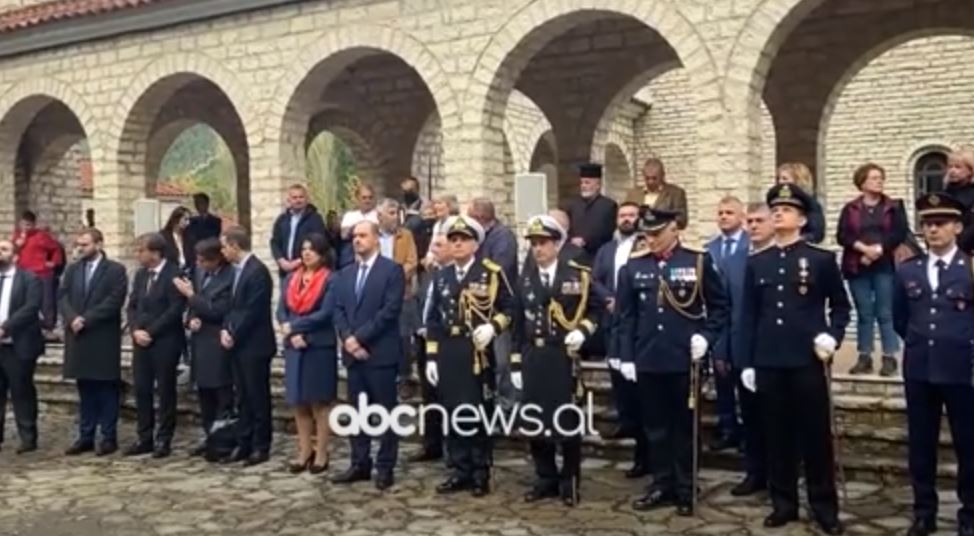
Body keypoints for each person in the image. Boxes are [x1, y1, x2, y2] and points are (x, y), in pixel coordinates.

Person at [739, 183, 851, 534]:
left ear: (802, 219)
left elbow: (841, 307)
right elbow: (749, 316)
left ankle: (823, 506)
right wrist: (748, 363)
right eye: (775, 209)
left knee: (815, 437)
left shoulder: (821, 259)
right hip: (770, 360)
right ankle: (783, 503)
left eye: (786, 209)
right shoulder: (758, 263)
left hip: (806, 360)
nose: (778, 213)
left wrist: (831, 337)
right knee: (777, 436)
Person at [617, 206, 729, 517]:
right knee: (654, 427)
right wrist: (626, 355)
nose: (650, 240)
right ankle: (661, 483)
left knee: (684, 427)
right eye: (646, 235)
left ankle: (685, 485)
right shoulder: (633, 268)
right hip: (649, 358)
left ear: (674, 230)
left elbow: (720, 307)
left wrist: (706, 337)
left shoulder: (697, 261)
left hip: (683, 359)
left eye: (656, 234)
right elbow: (626, 318)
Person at [892, 192, 974, 536]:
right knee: (921, 446)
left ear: (957, 226)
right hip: (920, 370)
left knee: (968, 445)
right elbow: (900, 319)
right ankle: (924, 511)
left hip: (962, 370)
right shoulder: (908, 269)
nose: (933, 230)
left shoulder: (970, 267)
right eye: (927, 224)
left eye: (940, 223)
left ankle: (969, 512)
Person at [511, 215, 599, 507]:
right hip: (534, 356)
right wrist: (514, 361)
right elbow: (516, 323)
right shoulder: (524, 279)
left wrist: (583, 331)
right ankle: (545, 477)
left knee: (566, 421)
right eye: (534, 244)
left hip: (563, 355)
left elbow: (596, 310)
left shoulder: (577, 275)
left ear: (557, 244)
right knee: (536, 421)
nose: (538, 249)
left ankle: (569, 479)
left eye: (543, 243)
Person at [425, 215, 514, 497]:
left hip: (476, 351)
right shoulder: (442, 276)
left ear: (476, 243)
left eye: (463, 239)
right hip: (449, 351)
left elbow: (511, 309)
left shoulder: (490, 273)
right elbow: (434, 320)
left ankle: (480, 471)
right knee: (452, 412)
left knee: (477, 412)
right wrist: (431, 356)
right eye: (453, 240)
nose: (458, 244)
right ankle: (460, 470)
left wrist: (493, 327)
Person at [332, 221, 405, 491]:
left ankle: (385, 466)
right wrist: (348, 339)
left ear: (376, 239)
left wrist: (359, 338)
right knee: (357, 412)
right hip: (353, 355)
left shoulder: (391, 270)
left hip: (380, 353)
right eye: (354, 237)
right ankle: (359, 462)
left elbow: (389, 310)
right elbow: (338, 310)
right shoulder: (345, 273)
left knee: (386, 412)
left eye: (363, 236)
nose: (357, 240)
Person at [591, 201, 647, 477]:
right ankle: (626, 421)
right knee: (619, 383)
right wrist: (608, 299)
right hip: (612, 323)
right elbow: (595, 279)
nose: (626, 220)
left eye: (631, 215)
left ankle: (644, 452)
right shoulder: (606, 249)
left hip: (639, 328)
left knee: (640, 392)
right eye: (622, 216)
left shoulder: (645, 246)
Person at [837, 163, 908, 377]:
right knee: (864, 312)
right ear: (862, 182)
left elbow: (899, 233)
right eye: (874, 178)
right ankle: (864, 356)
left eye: (880, 177)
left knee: (885, 312)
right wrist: (863, 250)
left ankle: (889, 357)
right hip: (857, 266)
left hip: (884, 265)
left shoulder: (893, 206)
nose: (879, 181)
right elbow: (843, 235)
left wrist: (877, 249)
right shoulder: (850, 208)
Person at [60, 228, 127, 456]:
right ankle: (85, 435)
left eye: (85, 244)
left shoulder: (115, 271)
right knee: (85, 388)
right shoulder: (72, 270)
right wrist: (71, 318)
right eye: (79, 244)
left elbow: (114, 300)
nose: (80, 248)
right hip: (78, 337)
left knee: (106, 388)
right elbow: (63, 296)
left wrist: (86, 319)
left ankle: (108, 436)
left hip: (101, 336)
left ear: (99, 244)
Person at [278, 233, 337, 475]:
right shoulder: (292, 278)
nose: (306, 253)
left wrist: (298, 329)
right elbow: (282, 310)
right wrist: (290, 332)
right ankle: (304, 450)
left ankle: (322, 452)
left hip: (318, 346)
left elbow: (326, 313)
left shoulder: (331, 280)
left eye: (312, 249)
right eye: (303, 249)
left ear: (322, 253)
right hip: (295, 346)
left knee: (319, 403)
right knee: (298, 401)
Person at [726, 202, 774, 497]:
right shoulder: (736, 260)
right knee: (751, 417)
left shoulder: (785, 258)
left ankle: (781, 476)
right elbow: (727, 307)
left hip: (775, 350)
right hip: (743, 349)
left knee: (779, 419)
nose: (754, 226)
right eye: (750, 221)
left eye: (760, 220)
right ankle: (755, 472)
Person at [125, 233, 186, 459]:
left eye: (141, 250)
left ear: (155, 252)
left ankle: (164, 438)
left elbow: (175, 309)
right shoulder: (141, 275)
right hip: (141, 340)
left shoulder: (174, 274)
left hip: (164, 341)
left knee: (166, 389)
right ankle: (144, 436)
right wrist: (135, 330)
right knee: (142, 389)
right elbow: (132, 306)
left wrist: (151, 332)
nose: (138, 255)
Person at [172, 238, 235, 457]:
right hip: (199, 342)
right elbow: (195, 306)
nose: (199, 265)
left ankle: (222, 440)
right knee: (204, 395)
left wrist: (190, 296)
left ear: (216, 259)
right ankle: (208, 435)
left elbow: (217, 310)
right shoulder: (199, 275)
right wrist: (191, 319)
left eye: (203, 261)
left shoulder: (230, 277)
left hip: (217, 343)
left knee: (221, 395)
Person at [220, 226, 276, 466]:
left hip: (255, 344)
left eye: (224, 246)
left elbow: (253, 309)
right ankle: (244, 441)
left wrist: (233, 332)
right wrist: (225, 328)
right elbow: (232, 306)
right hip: (238, 345)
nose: (222, 252)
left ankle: (260, 445)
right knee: (242, 396)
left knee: (257, 396)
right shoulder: (236, 272)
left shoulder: (257, 272)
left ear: (235, 245)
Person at [706, 196, 749, 453]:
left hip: (742, 323)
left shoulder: (750, 246)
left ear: (741, 216)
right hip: (719, 323)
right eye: (720, 212)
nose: (724, 216)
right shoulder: (709, 248)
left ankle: (747, 433)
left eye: (729, 212)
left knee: (745, 384)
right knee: (722, 380)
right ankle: (727, 429)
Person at [0, 239, 43, 454]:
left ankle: (28, 437)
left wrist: (5, 328)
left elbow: (31, 307)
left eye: (4, 249)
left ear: (15, 257)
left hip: (18, 345)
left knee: (21, 390)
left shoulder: (29, 279)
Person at [411, 232, 450, 462]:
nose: (433, 249)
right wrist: (420, 327)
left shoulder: (452, 276)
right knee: (429, 395)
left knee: (447, 395)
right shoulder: (430, 274)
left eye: (438, 245)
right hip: (424, 342)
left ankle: (452, 446)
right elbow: (420, 303)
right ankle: (431, 444)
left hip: (445, 344)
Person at [376, 198, 419, 390]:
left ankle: (404, 378)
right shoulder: (371, 235)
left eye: (397, 213)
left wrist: (393, 278)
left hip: (402, 292)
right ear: (380, 216)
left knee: (403, 336)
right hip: (377, 294)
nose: (396, 218)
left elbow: (412, 261)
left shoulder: (406, 235)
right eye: (391, 214)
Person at [12, 210, 63, 332]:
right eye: (23, 224)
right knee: (24, 300)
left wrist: (53, 263)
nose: (26, 228)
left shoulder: (41, 236)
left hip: (42, 273)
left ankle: (48, 326)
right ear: (20, 224)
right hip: (23, 273)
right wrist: (18, 244)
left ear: (34, 225)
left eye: (28, 225)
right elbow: (11, 252)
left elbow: (56, 249)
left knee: (46, 301)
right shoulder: (16, 236)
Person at [270, 183, 328, 279]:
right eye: (294, 197)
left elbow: (320, 243)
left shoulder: (315, 219)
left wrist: (298, 262)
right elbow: (275, 242)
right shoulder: (282, 219)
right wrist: (281, 261)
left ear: (306, 199)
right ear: (289, 200)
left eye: (301, 197)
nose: (298, 200)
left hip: (306, 270)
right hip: (285, 272)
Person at [564, 163, 618, 258]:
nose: (583, 186)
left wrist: (586, 241)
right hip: (575, 255)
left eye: (587, 182)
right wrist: (572, 240)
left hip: (598, 255)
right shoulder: (573, 205)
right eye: (581, 183)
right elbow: (567, 228)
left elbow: (607, 232)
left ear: (598, 185)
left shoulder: (609, 206)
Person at [624, 158, 689, 229]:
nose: (650, 182)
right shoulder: (633, 194)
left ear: (663, 175)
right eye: (647, 178)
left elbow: (682, 220)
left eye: (654, 178)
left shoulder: (675, 193)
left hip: (664, 236)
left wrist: (661, 220)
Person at [775, 162, 825, 243]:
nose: (780, 182)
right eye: (779, 178)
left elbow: (816, 233)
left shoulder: (810, 204)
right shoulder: (777, 201)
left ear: (798, 180)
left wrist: (796, 240)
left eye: (785, 178)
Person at [944, 149, 974, 255]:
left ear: (970, 170)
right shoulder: (944, 194)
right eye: (950, 167)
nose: (952, 171)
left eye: (958, 167)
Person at [185, 193, 223, 258]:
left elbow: (213, 237)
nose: (197, 206)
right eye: (196, 203)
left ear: (207, 204)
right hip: (194, 256)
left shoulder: (215, 221)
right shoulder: (191, 221)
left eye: (200, 203)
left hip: (210, 255)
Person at [161, 206, 192, 271]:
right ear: (176, 219)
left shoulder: (189, 237)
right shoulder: (163, 236)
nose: (188, 223)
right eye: (185, 219)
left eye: (189, 220)